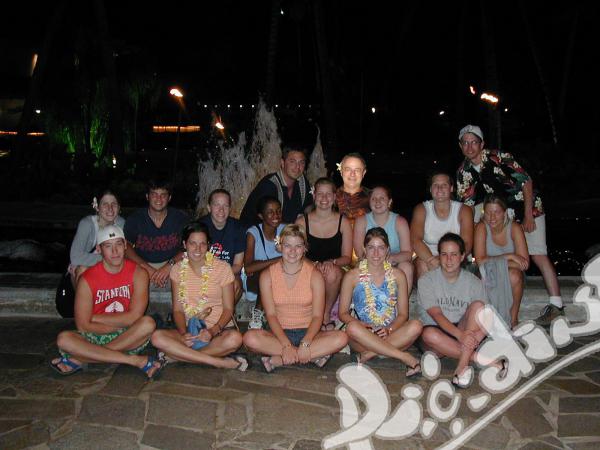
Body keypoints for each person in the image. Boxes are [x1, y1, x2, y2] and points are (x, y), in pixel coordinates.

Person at [455, 124, 564, 326]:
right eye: (465, 143)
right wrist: (471, 233)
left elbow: (526, 182)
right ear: (460, 146)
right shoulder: (463, 172)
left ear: (482, 144)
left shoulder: (499, 157)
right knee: (468, 218)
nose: (470, 147)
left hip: (527, 206)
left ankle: (557, 305)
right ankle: (471, 263)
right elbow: (467, 205)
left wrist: (528, 215)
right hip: (499, 211)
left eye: (474, 142)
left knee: (538, 254)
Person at [50, 225, 162, 378]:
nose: (115, 251)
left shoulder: (139, 273)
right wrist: (118, 324)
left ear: (125, 245)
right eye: (108, 246)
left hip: (127, 334)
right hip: (99, 335)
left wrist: (94, 318)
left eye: (118, 244)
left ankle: (81, 358)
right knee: (64, 339)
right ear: (99, 249)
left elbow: (135, 317)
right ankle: (133, 360)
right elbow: (83, 326)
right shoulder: (87, 279)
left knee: (148, 323)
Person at [243, 224, 348, 372]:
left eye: (298, 246)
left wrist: (305, 343)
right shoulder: (267, 275)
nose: (292, 251)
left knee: (342, 338)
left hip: (309, 333)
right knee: (249, 338)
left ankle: (281, 359)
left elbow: (317, 316)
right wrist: (286, 345)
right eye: (287, 246)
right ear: (280, 247)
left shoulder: (314, 275)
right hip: (279, 333)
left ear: (304, 248)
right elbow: (271, 315)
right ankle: (311, 356)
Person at [150, 222, 248, 371]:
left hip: (217, 332)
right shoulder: (177, 269)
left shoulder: (222, 268)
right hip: (189, 331)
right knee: (156, 337)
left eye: (202, 244)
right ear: (185, 244)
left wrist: (212, 331)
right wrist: (183, 334)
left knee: (235, 339)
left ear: (208, 245)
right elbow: (177, 310)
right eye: (193, 243)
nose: (198, 249)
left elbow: (229, 309)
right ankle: (218, 362)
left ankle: (175, 357)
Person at [418, 233, 503, 388]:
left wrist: (474, 337)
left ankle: (462, 366)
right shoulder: (426, 280)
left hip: (464, 328)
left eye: (454, 254)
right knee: (429, 334)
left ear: (462, 256)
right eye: (444, 254)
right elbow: (436, 314)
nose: (449, 259)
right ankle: (483, 359)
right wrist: (462, 337)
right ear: (439, 256)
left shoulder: (473, 282)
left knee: (479, 306)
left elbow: (487, 316)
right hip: (436, 332)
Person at [339, 227, 422, 375]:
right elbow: (343, 313)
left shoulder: (398, 275)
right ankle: (403, 356)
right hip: (363, 336)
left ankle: (370, 353)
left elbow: (403, 314)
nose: (376, 253)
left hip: (390, 333)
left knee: (416, 326)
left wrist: (389, 329)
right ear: (364, 249)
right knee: (352, 328)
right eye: (371, 247)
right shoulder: (352, 276)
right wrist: (364, 326)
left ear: (387, 250)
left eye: (381, 248)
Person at [295, 178, 353, 329]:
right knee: (316, 273)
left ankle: (325, 314)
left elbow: (347, 258)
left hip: (335, 268)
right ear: (314, 196)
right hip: (308, 266)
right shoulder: (302, 222)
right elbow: (295, 254)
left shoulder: (343, 222)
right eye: (320, 194)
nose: (324, 198)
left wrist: (332, 262)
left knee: (331, 273)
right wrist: (313, 264)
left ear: (334, 197)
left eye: (328, 194)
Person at [474, 195, 529, 328]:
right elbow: (480, 262)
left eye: (496, 212)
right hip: (486, 271)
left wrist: (498, 265)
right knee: (484, 277)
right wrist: (509, 256)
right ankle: (489, 321)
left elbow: (524, 264)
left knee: (514, 275)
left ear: (504, 213)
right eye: (488, 213)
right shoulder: (481, 227)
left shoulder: (514, 228)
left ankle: (513, 320)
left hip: (510, 272)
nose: (492, 217)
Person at [124, 180, 189, 288]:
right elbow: (126, 246)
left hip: (173, 263)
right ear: (147, 196)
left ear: (169, 198)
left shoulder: (180, 218)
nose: (159, 199)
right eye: (154, 194)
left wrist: (169, 265)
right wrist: (146, 268)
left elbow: (189, 247)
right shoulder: (135, 219)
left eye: (163, 195)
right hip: (142, 264)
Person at [411, 172, 474, 279]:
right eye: (435, 185)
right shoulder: (421, 209)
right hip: (428, 257)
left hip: (456, 257)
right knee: (422, 264)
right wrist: (431, 260)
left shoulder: (464, 210)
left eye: (444, 185)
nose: (439, 188)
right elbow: (415, 240)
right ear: (430, 189)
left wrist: (447, 260)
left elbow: (467, 243)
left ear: (451, 188)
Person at [353, 185, 414, 291]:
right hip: (370, 261)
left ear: (389, 201)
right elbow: (359, 253)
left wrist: (391, 258)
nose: (377, 202)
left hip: (394, 263)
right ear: (369, 202)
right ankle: (365, 299)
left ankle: (402, 301)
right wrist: (377, 261)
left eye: (382, 198)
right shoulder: (361, 221)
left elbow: (408, 253)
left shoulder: (400, 222)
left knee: (406, 267)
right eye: (374, 199)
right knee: (359, 267)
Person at [240, 144, 313, 225]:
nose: (297, 167)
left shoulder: (302, 181)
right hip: (254, 230)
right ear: (282, 163)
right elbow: (270, 221)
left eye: (301, 162)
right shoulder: (269, 185)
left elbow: (308, 207)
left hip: (286, 228)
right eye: (292, 162)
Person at [243, 196, 285, 329]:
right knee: (266, 275)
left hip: (282, 278)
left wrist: (261, 263)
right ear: (261, 215)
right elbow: (248, 268)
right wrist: (279, 260)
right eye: (270, 212)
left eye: (278, 211)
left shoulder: (286, 230)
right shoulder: (253, 233)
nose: (276, 215)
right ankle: (257, 313)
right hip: (256, 280)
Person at [69, 190, 125, 286]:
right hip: (87, 266)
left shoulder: (121, 224)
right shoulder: (87, 224)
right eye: (105, 204)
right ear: (97, 207)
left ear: (119, 207)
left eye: (114, 204)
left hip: (111, 267)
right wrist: (107, 259)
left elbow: (126, 252)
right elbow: (75, 257)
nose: (110, 208)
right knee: (82, 270)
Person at [199, 189, 246, 302]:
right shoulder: (199, 227)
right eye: (217, 205)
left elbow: (237, 265)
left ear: (230, 208)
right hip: (205, 272)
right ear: (209, 207)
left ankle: (225, 312)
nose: (221, 210)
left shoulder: (238, 228)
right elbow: (195, 261)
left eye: (225, 205)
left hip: (229, 272)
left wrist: (220, 274)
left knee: (235, 285)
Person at [335, 152, 370, 226]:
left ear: (363, 173)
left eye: (357, 170)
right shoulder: (331, 198)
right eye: (348, 169)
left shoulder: (373, 198)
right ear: (341, 172)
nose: (352, 174)